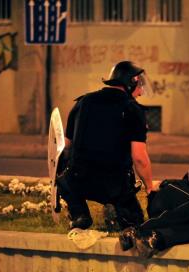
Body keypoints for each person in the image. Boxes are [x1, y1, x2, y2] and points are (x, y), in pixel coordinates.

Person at [57, 60, 154, 232]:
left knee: (65, 177)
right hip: (115, 185)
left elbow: (65, 147)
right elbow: (139, 158)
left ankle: (80, 214)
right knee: (135, 224)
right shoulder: (132, 109)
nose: (140, 93)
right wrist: (149, 187)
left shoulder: (83, 103)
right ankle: (121, 215)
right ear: (130, 83)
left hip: (79, 180)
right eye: (139, 86)